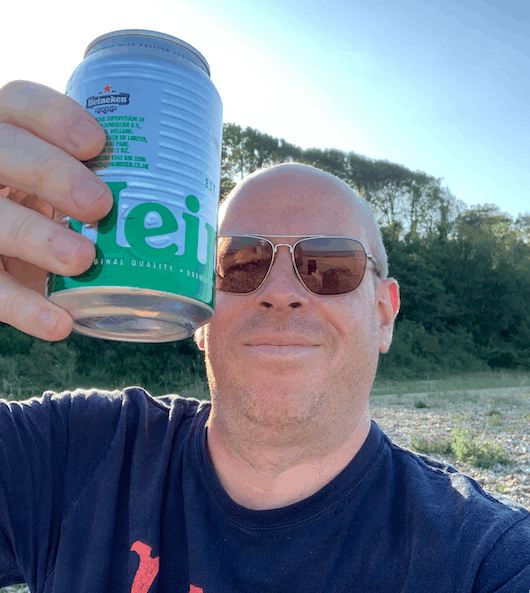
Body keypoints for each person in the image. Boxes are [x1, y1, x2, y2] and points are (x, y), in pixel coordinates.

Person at [0, 80, 529, 593]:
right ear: (200, 316)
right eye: (240, 262)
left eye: (328, 264)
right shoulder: (74, 455)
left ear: (384, 313)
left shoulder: (486, 558)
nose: (280, 292)